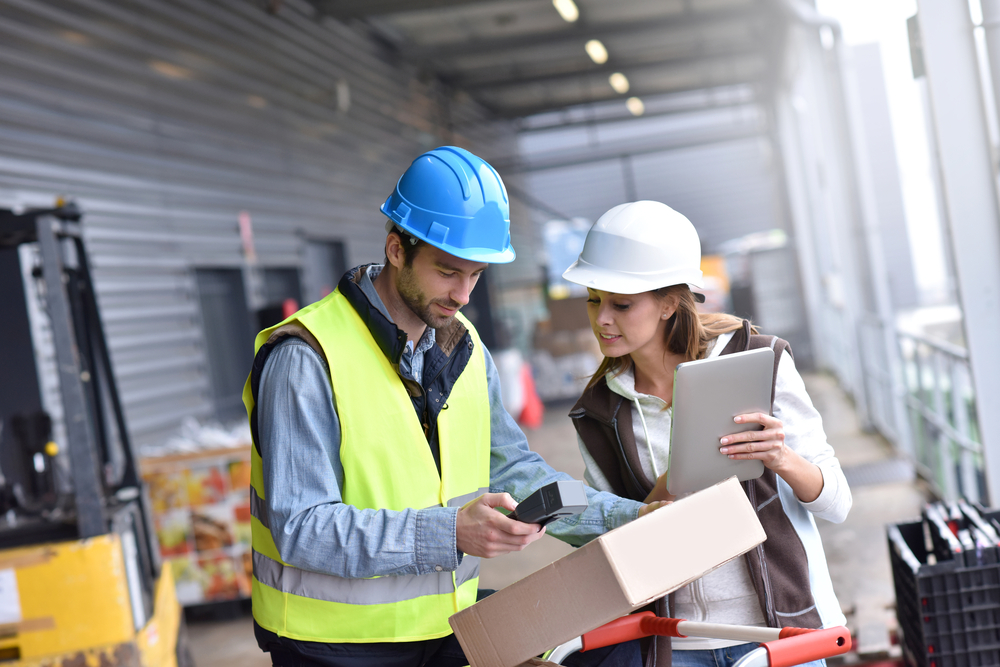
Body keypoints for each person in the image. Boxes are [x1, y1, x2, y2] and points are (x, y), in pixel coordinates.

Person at [242, 147, 662, 667]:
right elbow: (301, 528)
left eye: (476, 275)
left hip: (446, 629)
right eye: (447, 272)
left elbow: (512, 469)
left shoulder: (462, 345)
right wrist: (450, 532)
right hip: (335, 648)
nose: (463, 294)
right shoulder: (306, 359)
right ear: (397, 249)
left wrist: (634, 521)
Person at [562, 201, 852, 667]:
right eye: (593, 300)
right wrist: (649, 507)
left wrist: (781, 459)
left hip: (778, 635)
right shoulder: (598, 412)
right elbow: (610, 542)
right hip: (675, 644)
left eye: (621, 304)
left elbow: (837, 503)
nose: (602, 319)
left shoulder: (759, 361)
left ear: (669, 304)